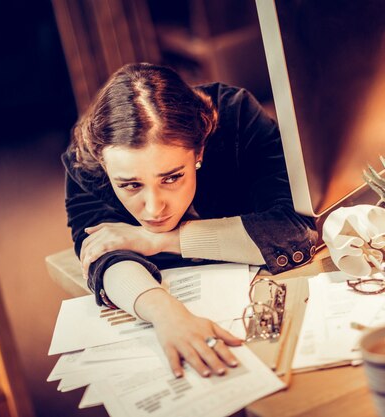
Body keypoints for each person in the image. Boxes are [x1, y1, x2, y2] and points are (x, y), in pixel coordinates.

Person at [62, 63, 318, 378]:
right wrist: (165, 313)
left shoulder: (238, 117)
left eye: (171, 178)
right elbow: (105, 254)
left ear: (198, 150)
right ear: (104, 163)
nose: (154, 209)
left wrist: (156, 240)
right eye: (131, 185)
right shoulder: (87, 158)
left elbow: (293, 228)